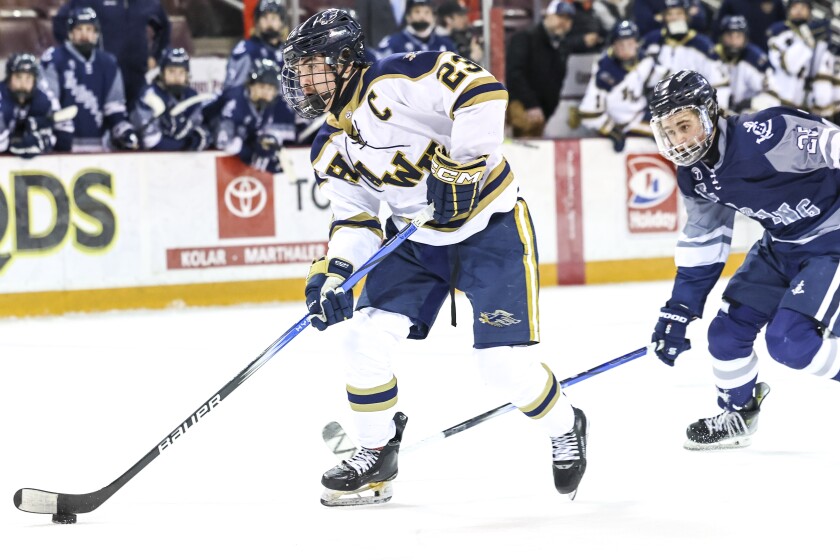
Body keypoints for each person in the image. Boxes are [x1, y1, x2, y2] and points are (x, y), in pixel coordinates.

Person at [280, 8, 589, 506]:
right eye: (299, 67)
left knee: (502, 369)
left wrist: (463, 169)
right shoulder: (329, 146)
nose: (301, 77)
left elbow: (484, 92)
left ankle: (566, 423)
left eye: (312, 64)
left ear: (343, 61)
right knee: (362, 338)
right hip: (415, 242)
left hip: (490, 228)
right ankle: (375, 452)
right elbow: (355, 220)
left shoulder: (398, 79)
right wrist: (334, 274)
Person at [648, 69, 840, 450]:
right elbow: (706, 240)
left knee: (789, 340)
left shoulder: (768, 132)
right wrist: (679, 308)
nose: (678, 141)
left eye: (684, 126)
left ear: (709, 113)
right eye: (669, 131)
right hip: (781, 246)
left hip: (832, 240)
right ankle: (739, 413)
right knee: (725, 335)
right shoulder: (694, 175)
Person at [41, 7, 138, 152]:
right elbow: (47, 103)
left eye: (89, 29)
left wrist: (123, 132)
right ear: (70, 33)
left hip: (99, 147)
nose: (84, 34)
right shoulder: (54, 59)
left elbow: (114, 107)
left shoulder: (108, 63)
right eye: (79, 29)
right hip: (60, 149)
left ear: (96, 34)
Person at [53, 0, 170, 107]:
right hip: (104, 75)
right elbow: (61, 20)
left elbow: (164, 27)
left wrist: (155, 56)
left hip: (137, 75)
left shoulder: (147, 2)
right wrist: (79, 52)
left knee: (136, 122)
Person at [576, 20, 666, 151]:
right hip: (620, 124)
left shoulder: (645, 60)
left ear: (637, 43)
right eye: (620, 44)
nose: (625, 48)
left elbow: (663, 79)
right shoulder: (605, 69)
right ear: (613, 45)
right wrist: (610, 129)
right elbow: (587, 112)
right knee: (668, 134)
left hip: (640, 115)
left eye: (629, 43)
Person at [205, 58, 295, 173]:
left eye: (270, 89)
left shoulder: (265, 105)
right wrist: (251, 156)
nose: (266, 93)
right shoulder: (235, 102)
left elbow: (256, 132)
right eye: (262, 87)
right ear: (251, 85)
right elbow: (223, 140)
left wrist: (264, 142)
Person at [641, 0, 730, 111]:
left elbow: (720, 84)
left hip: (693, 108)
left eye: (679, 13)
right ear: (663, 17)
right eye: (669, 14)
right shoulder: (651, 41)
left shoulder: (703, 45)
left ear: (687, 16)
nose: (674, 18)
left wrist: (717, 110)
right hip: (656, 108)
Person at [505, 0, 575, 137]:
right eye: (560, 16)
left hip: (544, 113)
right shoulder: (525, 38)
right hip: (523, 107)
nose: (564, 22)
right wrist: (531, 104)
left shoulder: (562, 46)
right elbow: (514, 74)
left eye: (568, 19)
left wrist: (546, 110)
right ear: (548, 15)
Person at [131, 48, 210, 152]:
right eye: (171, 71)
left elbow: (200, 128)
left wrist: (198, 138)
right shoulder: (150, 95)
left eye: (181, 72)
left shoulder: (192, 96)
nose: (176, 77)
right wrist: (184, 145)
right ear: (162, 72)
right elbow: (149, 140)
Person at [765, 0, 832, 117]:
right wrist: (807, 38)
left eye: (803, 7)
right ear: (788, 11)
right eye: (795, 6)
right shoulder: (778, 31)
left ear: (810, 12)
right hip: (775, 103)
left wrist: (823, 107)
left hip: (803, 107)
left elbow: (821, 72)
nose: (799, 10)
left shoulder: (818, 36)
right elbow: (789, 66)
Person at [0, 54, 69, 158]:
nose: (23, 84)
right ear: (9, 78)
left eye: (28, 78)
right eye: (18, 77)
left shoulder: (44, 99)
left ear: (35, 80)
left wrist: (43, 140)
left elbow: (65, 137)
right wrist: (16, 142)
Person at [715, 15, 774, 114]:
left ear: (745, 38)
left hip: (747, 116)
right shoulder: (713, 56)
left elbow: (772, 97)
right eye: (729, 36)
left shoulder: (755, 59)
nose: (733, 41)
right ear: (722, 37)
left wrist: (750, 103)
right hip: (719, 112)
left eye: (738, 36)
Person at [223, 0, 287, 90]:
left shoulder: (288, 52)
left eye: (273, 18)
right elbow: (232, 90)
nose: (269, 22)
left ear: (282, 22)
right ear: (257, 21)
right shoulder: (245, 50)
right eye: (264, 17)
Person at [375, 0, 457, 59]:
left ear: (434, 17)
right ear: (408, 17)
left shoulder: (446, 44)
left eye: (427, 12)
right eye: (417, 12)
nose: (422, 16)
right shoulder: (392, 43)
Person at [715, 0, 786, 50]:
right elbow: (718, 26)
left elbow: (784, 26)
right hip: (735, 53)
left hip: (765, 53)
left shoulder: (775, 2)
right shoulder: (731, 2)